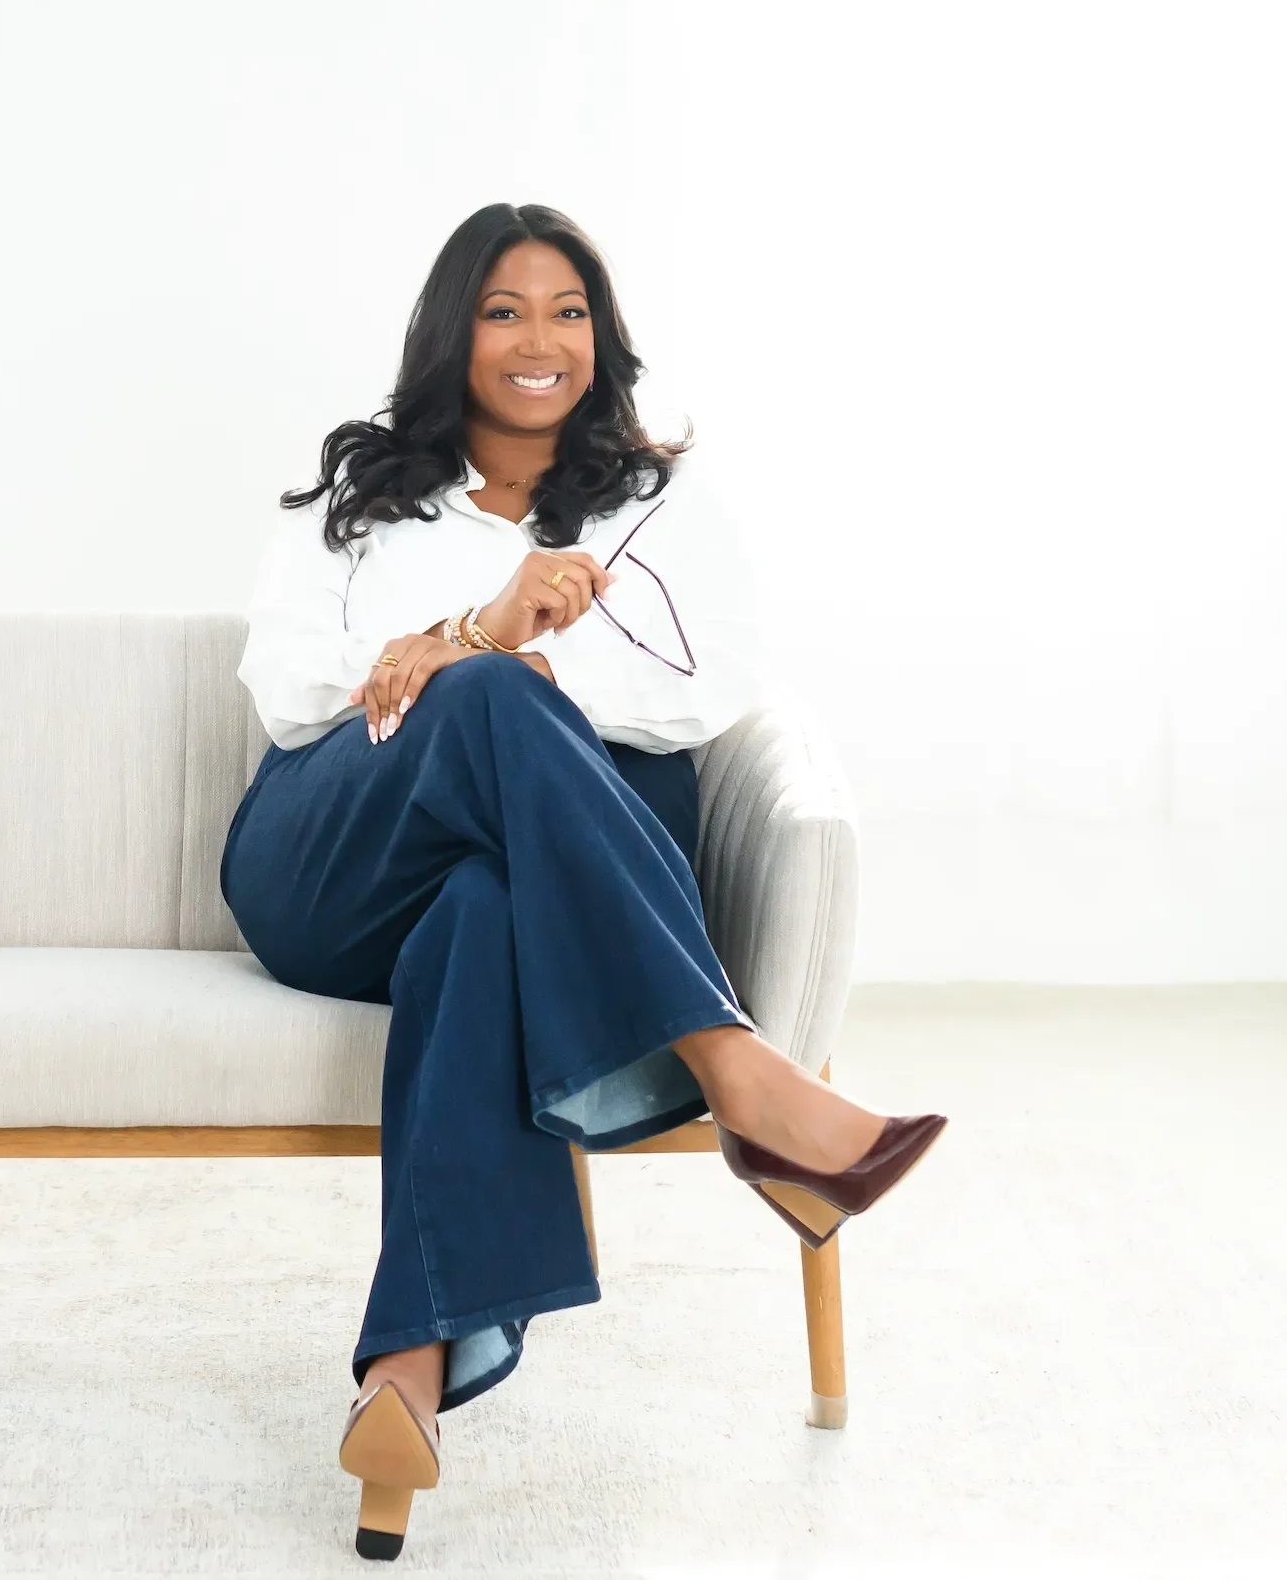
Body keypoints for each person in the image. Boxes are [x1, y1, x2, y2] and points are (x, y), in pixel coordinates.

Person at [220, 202, 947, 1562]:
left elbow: (708, 685)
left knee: (488, 910)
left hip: (528, 884)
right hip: (334, 862)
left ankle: (407, 1377)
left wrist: (530, 672)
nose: (538, 340)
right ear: (458, 332)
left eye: (567, 311)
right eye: (504, 311)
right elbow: (289, 687)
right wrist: (471, 636)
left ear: (601, 337)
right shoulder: (361, 498)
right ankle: (737, 1072)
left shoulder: (660, 505)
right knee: (490, 693)